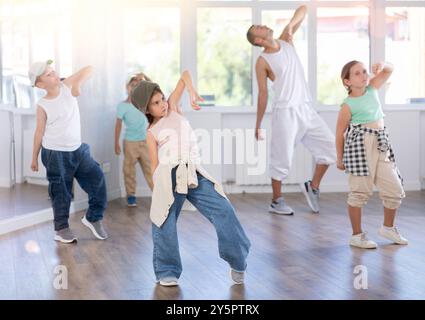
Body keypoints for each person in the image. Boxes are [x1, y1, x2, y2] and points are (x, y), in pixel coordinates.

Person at [131, 71, 251, 286]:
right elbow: (155, 164)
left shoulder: (174, 109)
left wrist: (192, 91)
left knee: (223, 210)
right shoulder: (151, 131)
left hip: (193, 171)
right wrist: (158, 189)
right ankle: (166, 270)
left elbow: (185, 74)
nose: (163, 105)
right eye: (156, 104)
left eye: (163, 99)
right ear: (146, 110)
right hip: (168, 175)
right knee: (163, 220)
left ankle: (237, 259)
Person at [246, 5, 336, 215]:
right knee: (282, 159)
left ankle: (312, 186)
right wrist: (258, 125)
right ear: (257, 40)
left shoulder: (286, 40)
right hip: (285, 113)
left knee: (331, 150)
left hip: (306, 108)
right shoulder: (262, 62)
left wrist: (290, 26)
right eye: (258, 27)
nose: (263, 25)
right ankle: (276, 201)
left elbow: (303, 8)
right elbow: (262, 94)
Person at [30, 60, 108, 243]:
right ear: (40, 84)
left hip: (78, 150)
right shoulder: (42, 104)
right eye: (48, 75)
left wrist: (78, 84)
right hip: (55, 154)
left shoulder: (66, 85)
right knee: (61, 192)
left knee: (97, 179)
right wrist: (34, 157)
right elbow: (39, 131)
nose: (54, 74)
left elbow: (90, 67)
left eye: (53, 70)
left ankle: (93, 217)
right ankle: (61, 228)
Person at [336, 60, 407, 249]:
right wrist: (339, 157)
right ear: (347, 81)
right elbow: (339, 133)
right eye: (357, 73)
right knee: (359, 191)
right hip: (361, 146)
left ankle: (388, 227)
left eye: (364, 71)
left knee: (394, 188)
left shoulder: (372, 89)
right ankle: (357, 235)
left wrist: (382, 64)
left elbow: (390, 69)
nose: (364, 75)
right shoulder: (347, 105)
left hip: (381, 143)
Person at [115, 73, 153, 207]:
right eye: (133, 84)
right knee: (129, 170)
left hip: (145, 141)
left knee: (151, 169)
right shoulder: (123, 106)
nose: (136, 87)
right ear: (128, 87)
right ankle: (131, 195)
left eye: (139, 85)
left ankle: (158, 194)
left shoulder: (145, 102)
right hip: (130, 142)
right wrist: (116, 143)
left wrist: (145, 77)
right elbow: (118, 124)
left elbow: (153, 87)